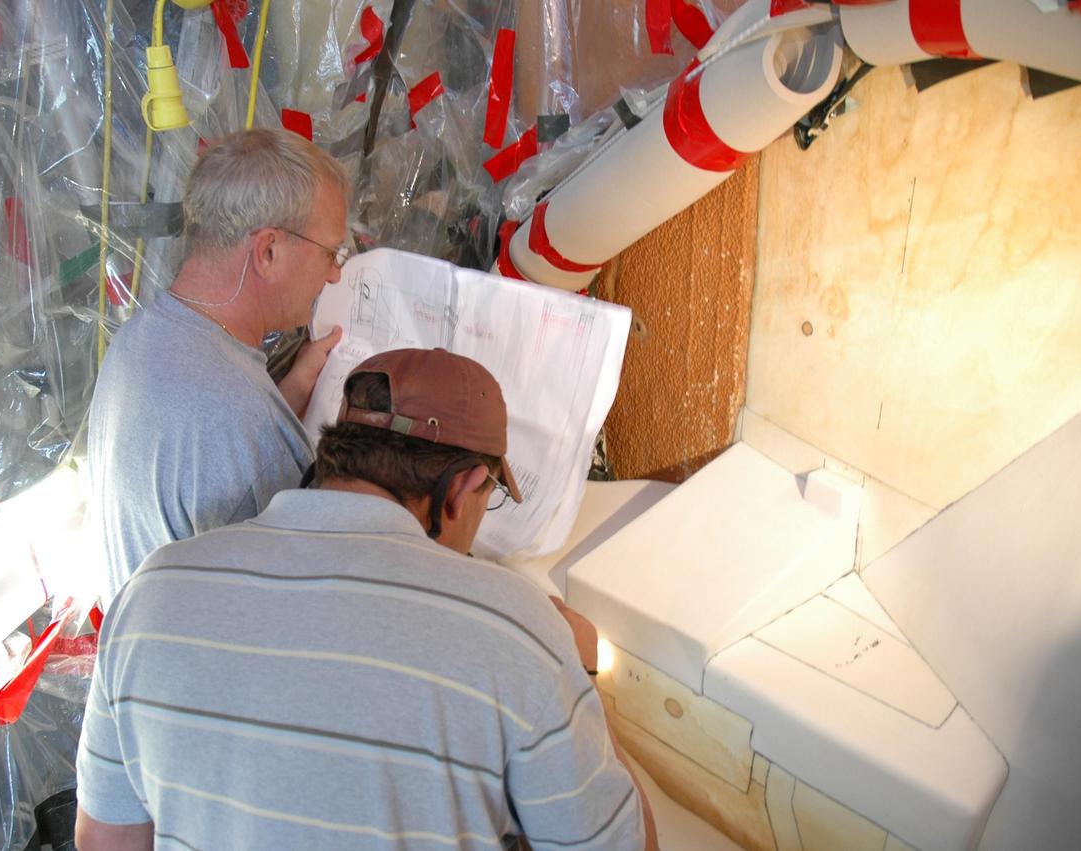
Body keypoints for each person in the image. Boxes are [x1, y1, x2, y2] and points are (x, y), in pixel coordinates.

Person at [75, 347, 659, 850]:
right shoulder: (518, 630)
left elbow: (106, 840)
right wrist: (582, 674)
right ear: (462, 487)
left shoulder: (150, 596)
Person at [86, 128, 351, 601]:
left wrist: (293, 387)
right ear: (268, 251)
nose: (334, 273)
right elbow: (290, 608)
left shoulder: (143, 337)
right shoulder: (237, 423)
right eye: (331, 253)